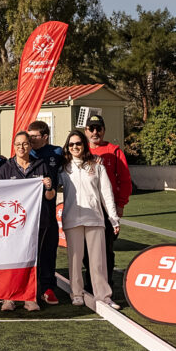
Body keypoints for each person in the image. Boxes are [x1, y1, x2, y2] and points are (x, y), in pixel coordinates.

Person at [0, 131, 57, 312]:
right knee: (12, 260)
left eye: (25, 144)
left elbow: (50, 196)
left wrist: (48, 186)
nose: (21, 148)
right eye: (18, 144)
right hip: (13, 225)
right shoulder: (6, 168)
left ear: (30, 146)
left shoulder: (41, 165)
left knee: (33, 260)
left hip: (37, 222)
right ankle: (9, 297)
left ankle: (30, 297)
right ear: (13, 147)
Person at [60, 128, 121, 310]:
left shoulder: (97, 166)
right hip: (72, 219)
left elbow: (106, 194)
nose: (75, 147)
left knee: (98, 261)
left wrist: (113, 218)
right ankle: (76, 294)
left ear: (84, 145)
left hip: (95, 218)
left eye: (78, 143)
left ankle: (103, 295)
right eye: (71, 144)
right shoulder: (63, 168)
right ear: (67, 147)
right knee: (75, 259)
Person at [84, 113, 132, 295]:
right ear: (86, 131)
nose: (95, 132)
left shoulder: (114, 151)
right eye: (91, 128)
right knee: (87, 249)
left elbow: (125, 180)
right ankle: (90, 283)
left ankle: (106, 283)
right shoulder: (80, 150)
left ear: (104, 130)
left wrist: (120, 204)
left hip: (106, 208)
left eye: (99, 128)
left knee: (106, 249)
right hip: (87, 207)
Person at [26, 120, 63, 306]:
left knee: (48, 250)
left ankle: (48, 287)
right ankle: (29, 287)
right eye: (28, 136)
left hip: (47, 208)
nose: (30, 140)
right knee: (30, 251)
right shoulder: (26, 152)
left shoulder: (57, 152)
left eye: (34, 136)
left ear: (45, 137)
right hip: (27, 212)